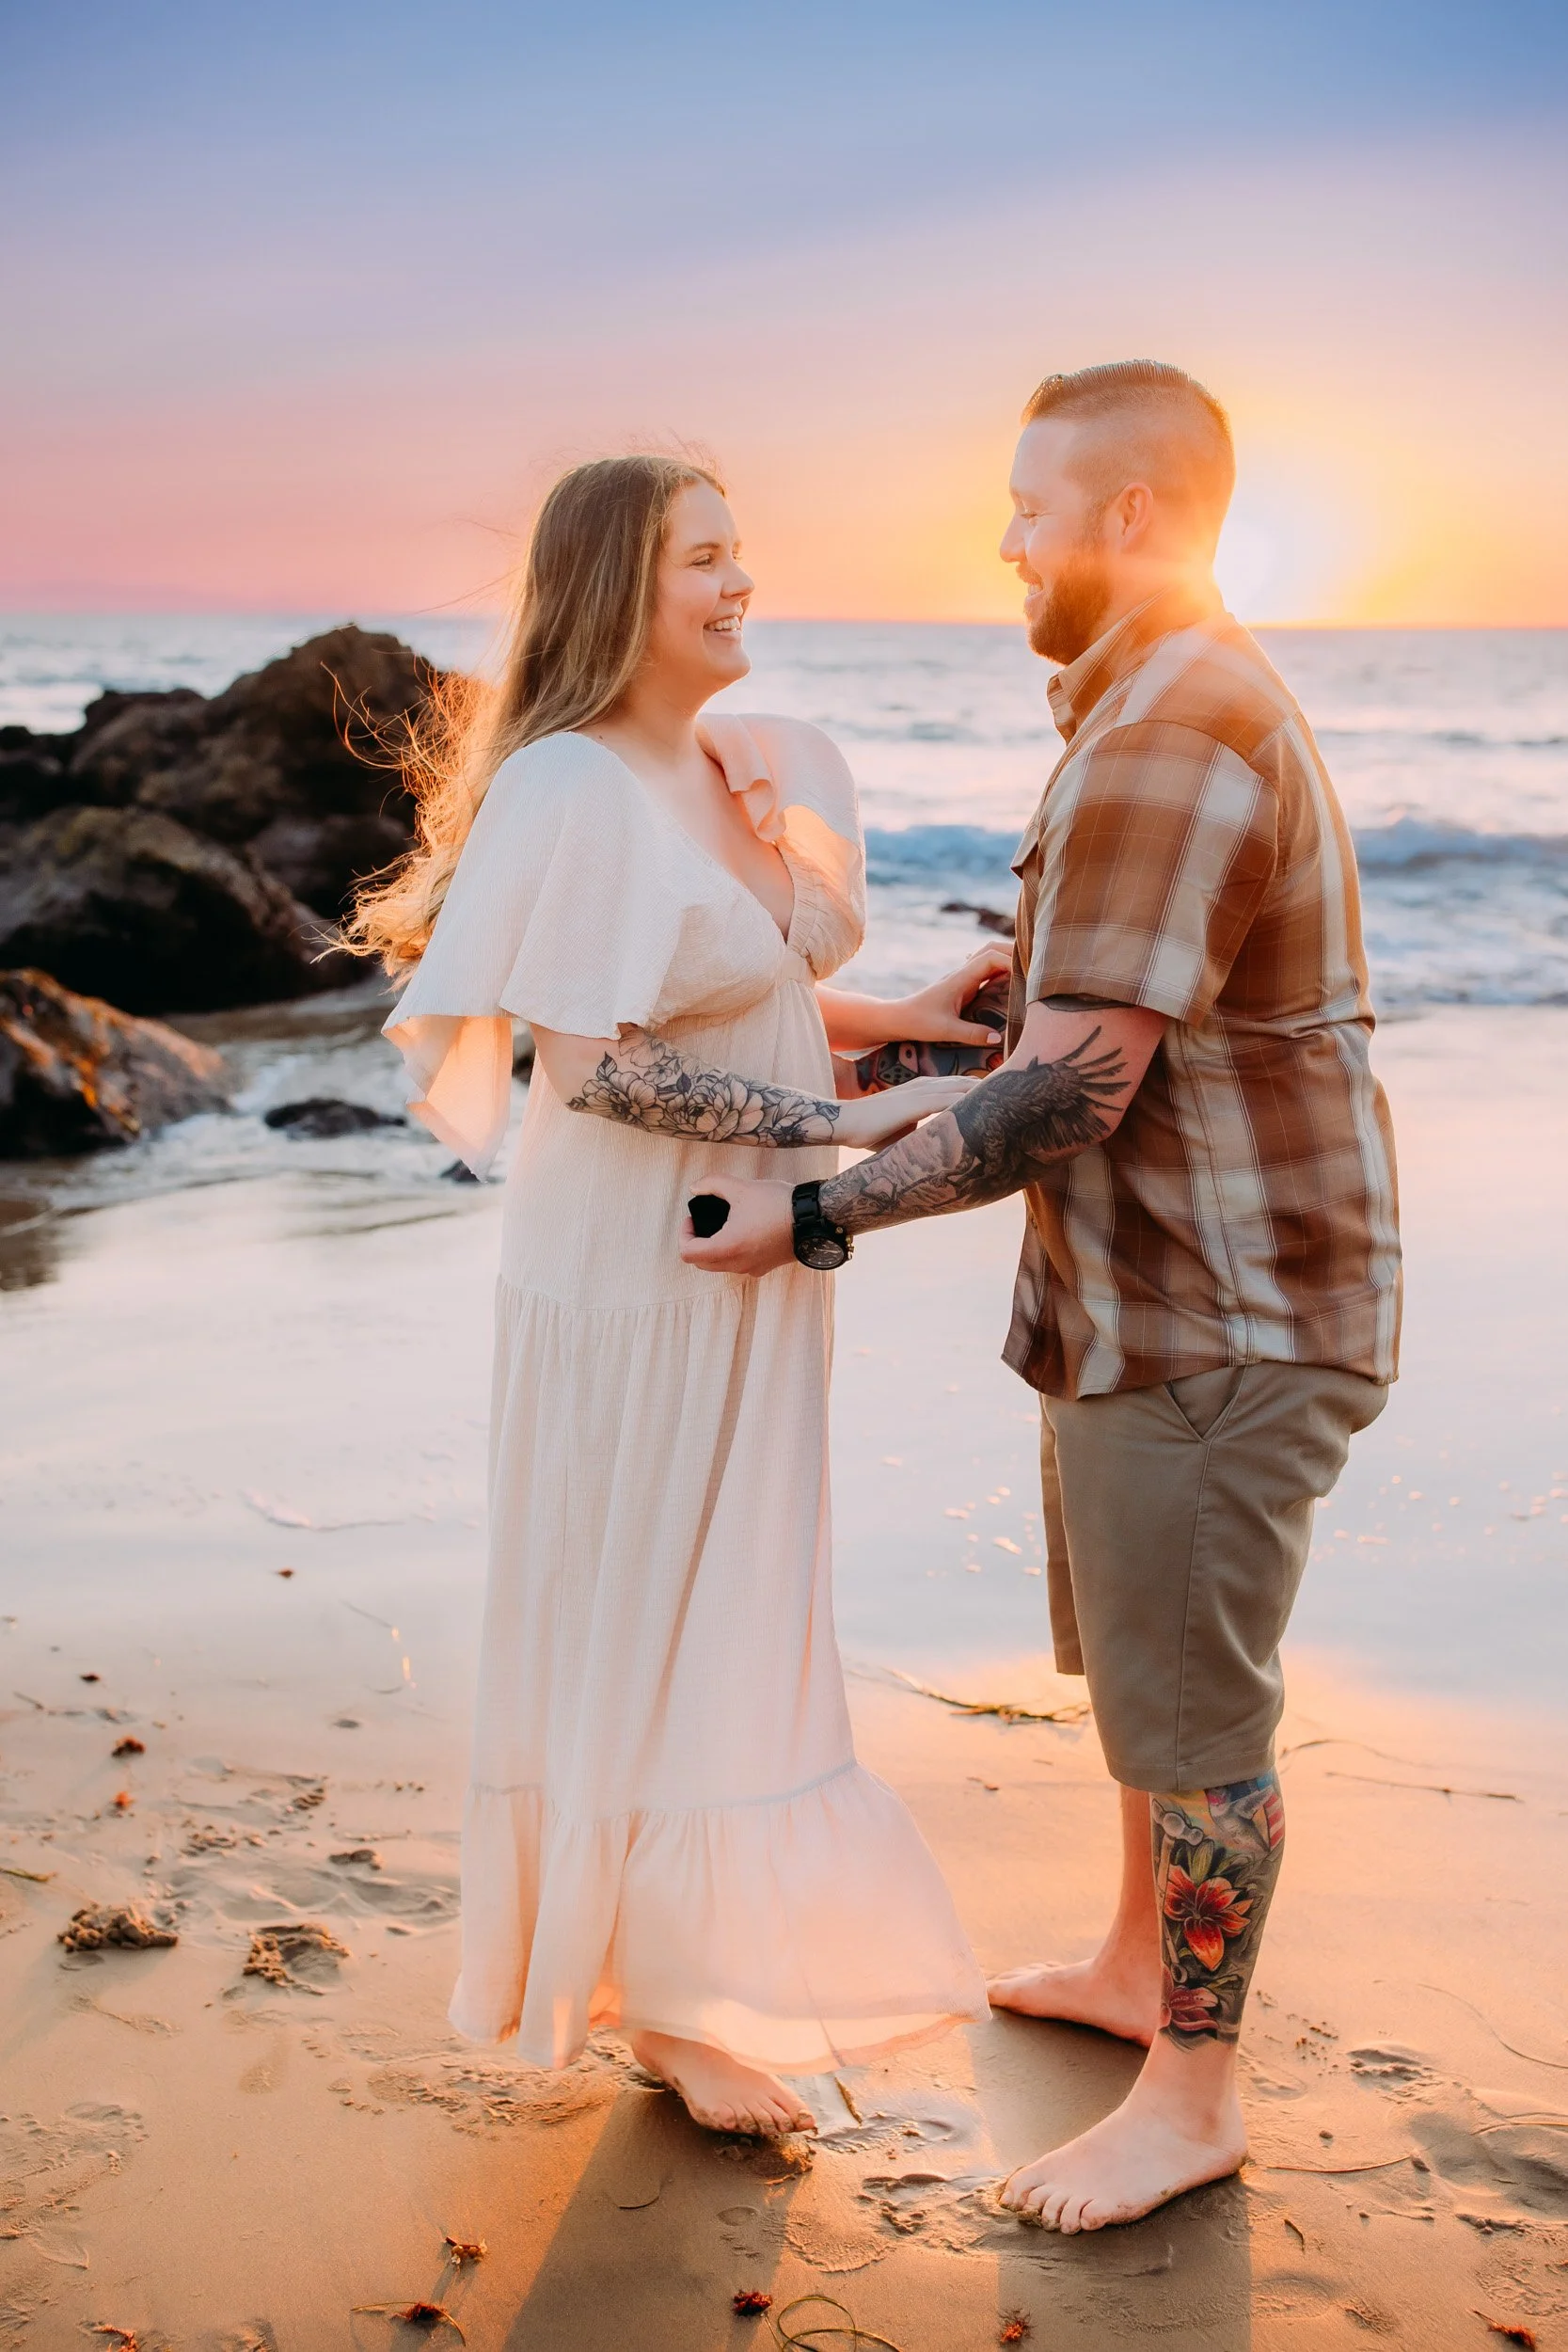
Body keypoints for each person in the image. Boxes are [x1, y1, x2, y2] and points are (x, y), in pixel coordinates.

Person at [680, 362, 1402, 2224]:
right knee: (1141, 1689)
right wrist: (989, 996)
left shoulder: (1169, 729)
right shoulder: (1155, 705)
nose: (1002, 537)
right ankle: (1122, 1964)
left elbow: (1076, 1092)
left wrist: (814, 1212)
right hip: (1146, 1302)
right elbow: (1113, 1013)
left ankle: (1193, 2088)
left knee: (1193, 1717)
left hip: (1218, 1316)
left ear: (1130, 518)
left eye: (1027, 505)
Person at [352, 453, 993, 2138]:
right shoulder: (571, 783)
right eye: (705, 558)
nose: (741, 583)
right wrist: (844, 1126)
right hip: (631, 1264)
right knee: (645, 1595)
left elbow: (749, 997)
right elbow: (599, 1066)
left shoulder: (725, 766)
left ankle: (686, 1977)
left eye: (741, 554)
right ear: (616, 584)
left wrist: (908, 1018)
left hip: (753, 1245)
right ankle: (658, 2008)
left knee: (732, 1590)